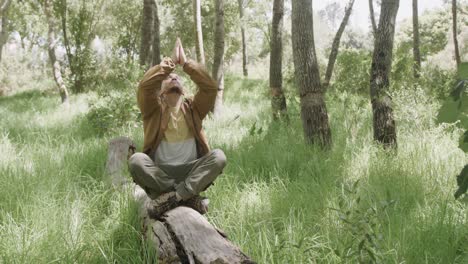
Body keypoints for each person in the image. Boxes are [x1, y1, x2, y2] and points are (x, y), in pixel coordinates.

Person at [128, 38, 226, 218]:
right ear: (161, 90)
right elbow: (144, 87)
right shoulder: (153, 110)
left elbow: (210, 89)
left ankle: (176, 196)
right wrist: (169, 64)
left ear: (183, 88)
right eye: (168, 78)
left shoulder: (193, 108)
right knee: (136, 161)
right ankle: (187, 197)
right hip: (161, 173)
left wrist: (187, 64)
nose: (173, 77)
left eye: (177, 77)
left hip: (191, 172)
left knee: (219, 157)